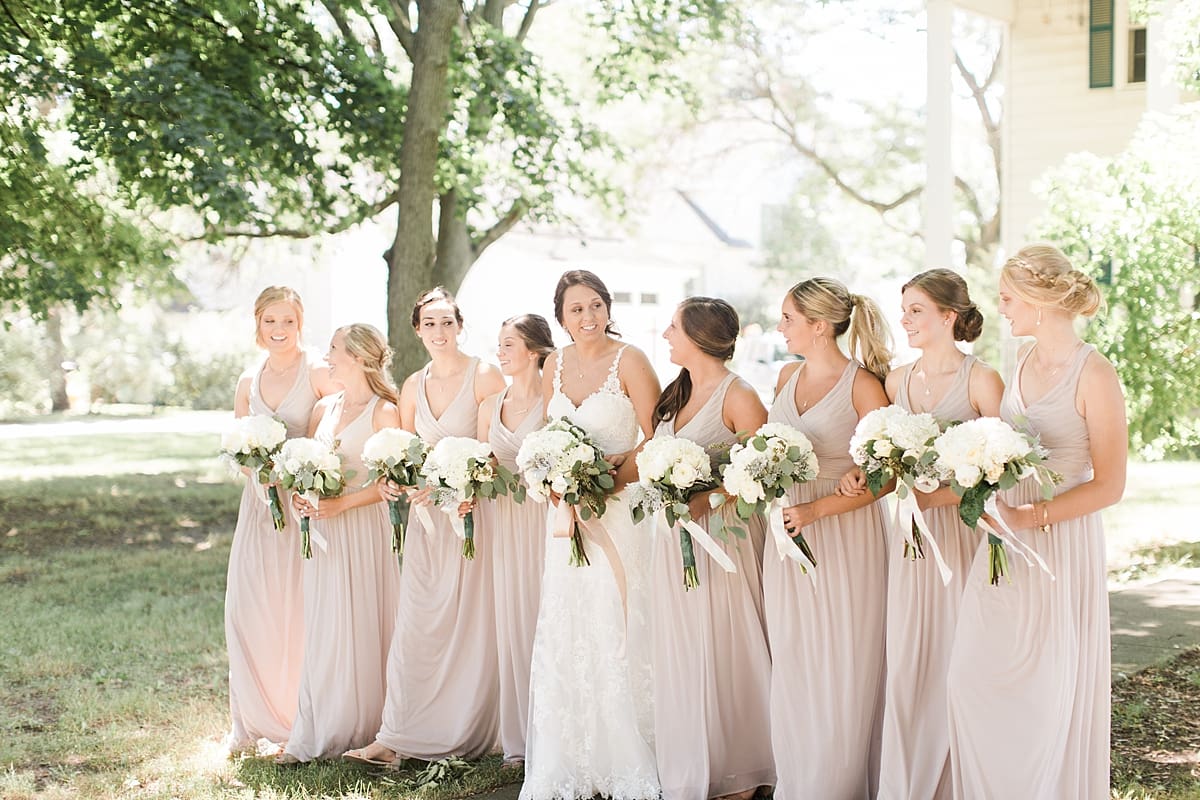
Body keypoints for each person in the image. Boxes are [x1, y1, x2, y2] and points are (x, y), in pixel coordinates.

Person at [946, 244, 1126, 798]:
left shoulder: (1094, 373)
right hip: (1005, 536)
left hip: (1058, 539)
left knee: (1047, 688)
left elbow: (1111, 484)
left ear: (1038, 300)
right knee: (970, 676)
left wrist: (1032, 515)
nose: (1001, 309)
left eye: (1006, 298)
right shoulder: (1021, 362)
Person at [838, 269, 1004, 800]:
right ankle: (909, 782)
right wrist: (860, 474)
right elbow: (884, 468)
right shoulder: (896, 383)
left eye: (915, 310)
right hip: (908, 540)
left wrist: (938, 496)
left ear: (948, 317)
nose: (904, 320)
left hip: (962, 538)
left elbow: (1004, 471)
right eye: (903, 309)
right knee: (911, 657)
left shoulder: (983, 380)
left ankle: (963, 780)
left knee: (963, 656)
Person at [345, 287, 505, 766]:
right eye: (430, 323)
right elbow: (409, 451)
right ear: (417, 330)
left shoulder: (485, 376)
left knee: (469, 624)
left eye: (447, 322)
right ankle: (396, 734)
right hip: (425, 521)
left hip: (469, 518)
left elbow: (491, 457)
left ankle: (465, 727)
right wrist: (394, 481)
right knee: (417, 624)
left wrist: (452, 488)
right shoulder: (412, 385)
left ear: (460, 326)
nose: (439, 331)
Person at [520, 269, 662, 800]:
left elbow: (656, 439)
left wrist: (602, 484)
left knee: (614, 623)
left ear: (608, 308)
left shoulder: (631, 360)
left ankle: (626, 753)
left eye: (596, 305)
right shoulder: (552, 364)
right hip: (565, 520)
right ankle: (570, 757)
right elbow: (543, 437)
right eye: (576, 309)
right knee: (569, 625)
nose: (588, 317)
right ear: (560, 315)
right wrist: (553, 478)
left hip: (618, 514)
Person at [766, 277, 893, 799]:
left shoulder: (862, 385)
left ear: (820, 326)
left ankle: (836, 784)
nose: (780, 327)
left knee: (842, 656)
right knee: (794, 654)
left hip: (842, 535)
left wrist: (816, 509)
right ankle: (799, 777)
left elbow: (884, 476)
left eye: (789, 319)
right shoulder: (784, 375)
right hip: (785, 533)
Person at [647, 298, 775, 800]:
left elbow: (763, 474)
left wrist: (709, 498)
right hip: (673, 540)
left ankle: (742, 764)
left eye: (673, 328)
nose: (665, 336)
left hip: (724, 541)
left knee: (725, 643)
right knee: (683, 646)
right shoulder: (674, 394)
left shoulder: (738, 395)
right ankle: (694, 755)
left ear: (699, 336)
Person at [224, 286, 338, 756]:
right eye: (271, 321)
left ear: (300, 323)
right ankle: (247, 721)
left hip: (302, 509)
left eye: (287, 321)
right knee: (250, 607)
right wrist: (257, 471)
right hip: (257, 508)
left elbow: (338, 429)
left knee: (297, 607)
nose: (279, 330)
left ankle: (301, 713)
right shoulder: (247, 380)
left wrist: (302, 470)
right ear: (258, 323)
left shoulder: (316, 371)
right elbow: (237, 445)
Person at [476, 314, 556, 767]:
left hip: (546, 519)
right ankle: (520, 737)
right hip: (504, 521)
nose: (501, 351)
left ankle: (554, 731)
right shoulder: (490, 405)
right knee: (513, 622)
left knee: (548, 617)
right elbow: (484, 463)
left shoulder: (555, 400)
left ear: (533, 350)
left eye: (509, 344)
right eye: (499, 343)